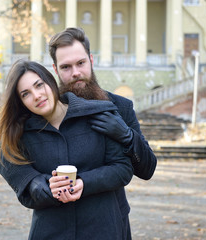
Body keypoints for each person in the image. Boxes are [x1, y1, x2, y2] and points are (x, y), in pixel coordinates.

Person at [0, 59, 133, 239]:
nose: (37, 95)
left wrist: (84, 182)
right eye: (26, 94)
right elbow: (0, 155)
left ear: (50, 81)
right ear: (20, 101)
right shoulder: (22, 133)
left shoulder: (97, 114)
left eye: (39, 85)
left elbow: (122, 169)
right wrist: (37, 183)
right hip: (50, 231)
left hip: (102, 228)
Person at [48, 27, 157, 181]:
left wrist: (127, 136)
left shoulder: (121, 107)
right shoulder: (46, 110)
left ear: (91, 61)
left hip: (108, 205)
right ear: (56, 69)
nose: (75, 72)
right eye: (66, 67)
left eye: (81, 63)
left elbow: (148, 170)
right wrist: (33, 182)